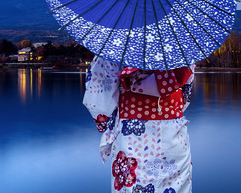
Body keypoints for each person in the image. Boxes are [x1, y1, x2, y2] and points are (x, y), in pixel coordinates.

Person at [83, 56, 194, 193]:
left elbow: (98, 98)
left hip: (132, 136)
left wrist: (106, 122)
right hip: (173, 135)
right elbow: (185, 95)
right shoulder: (180, 46)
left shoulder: (118, 46)